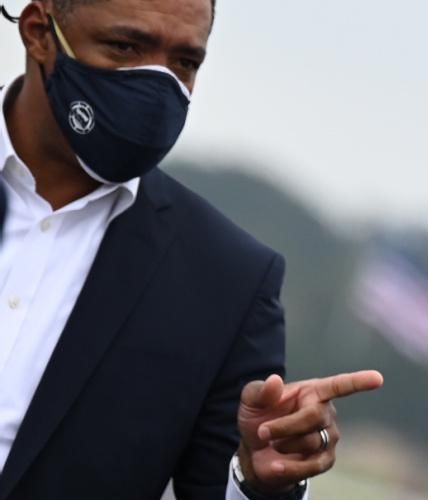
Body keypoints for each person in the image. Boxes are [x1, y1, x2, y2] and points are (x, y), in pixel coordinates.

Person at [0, 1, 384, 499]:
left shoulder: (229, 280)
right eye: (126, 46)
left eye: (184, 62)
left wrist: (259, 477)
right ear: (38, 33)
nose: (157, 83)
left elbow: (225, 478)